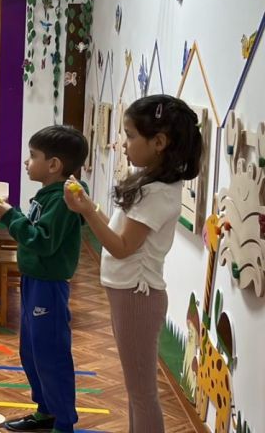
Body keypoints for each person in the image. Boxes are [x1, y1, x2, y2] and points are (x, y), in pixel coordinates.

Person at [63, 95, 203, 433]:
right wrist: (89, 207)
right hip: (129, 294)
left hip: (137, 297)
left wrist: (87, 211)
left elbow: (122, 247)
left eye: (130, 136)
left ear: (159, 142)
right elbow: (120, 237)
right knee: (136, 391)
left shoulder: (157, 193)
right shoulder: (150, 184)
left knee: (142, 394)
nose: (123, 144)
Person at [0, 125, 88, 433]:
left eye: (32, 156)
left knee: (51, 354)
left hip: (49, 287)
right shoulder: (48, 194)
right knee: (32, 353)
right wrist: (14, 215)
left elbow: (43, 241)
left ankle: (64, 423)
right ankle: (46, 411)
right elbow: (36, 228)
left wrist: (10, 216)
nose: (26, 162)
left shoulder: (62, 199)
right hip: (33, 280)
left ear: (54, 164)